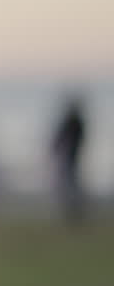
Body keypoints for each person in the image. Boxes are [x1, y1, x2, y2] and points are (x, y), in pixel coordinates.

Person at [51, 92, 87, 227]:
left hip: (69, 160)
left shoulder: (73, 123)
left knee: (69, 188)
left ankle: (73, 215)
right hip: (70, 160)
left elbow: (59, 140)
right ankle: (73, 215)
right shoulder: (76, 123)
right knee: (70, 188)